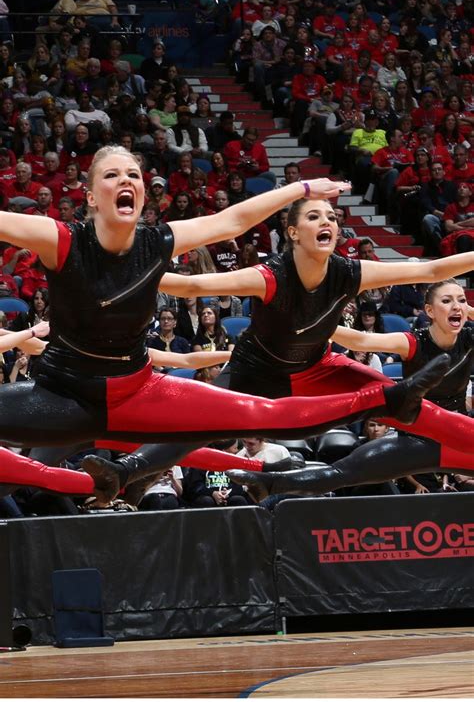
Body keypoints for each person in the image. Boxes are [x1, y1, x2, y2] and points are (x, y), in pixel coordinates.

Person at [1, 148, 442, 504]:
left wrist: (302, 187)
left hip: (137, 390)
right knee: (30, 473)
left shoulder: (159, 241)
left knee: (260, 414)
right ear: (92, 196)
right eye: (113, 175)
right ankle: (93, 484)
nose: (127, 182)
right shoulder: (60, 239)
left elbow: (231, 221)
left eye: (133, 174)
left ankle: (388, 396)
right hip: (62, 395)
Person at [229, 279, 474, 500]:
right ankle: (268, 484)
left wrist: (465, 309)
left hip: (461, 438)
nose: (457, 306)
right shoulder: (412, 342)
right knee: (344, 472)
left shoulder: (469, 337)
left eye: (462, 300)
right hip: (418, 440)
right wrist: (304, 323)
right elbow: (360, 340)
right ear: (429, 311)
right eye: (447, 300)